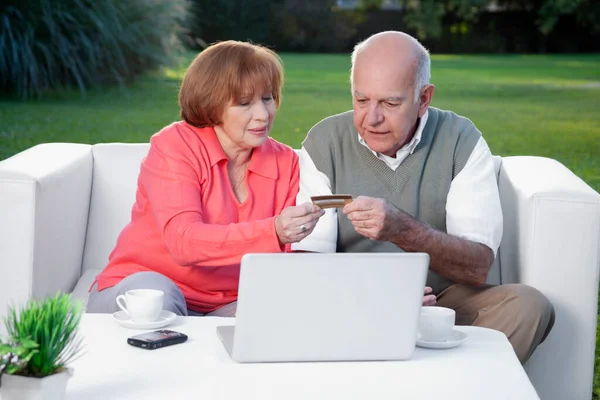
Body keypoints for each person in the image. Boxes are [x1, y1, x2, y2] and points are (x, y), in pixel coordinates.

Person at [292, 31, 554, 364]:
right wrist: (385, 296)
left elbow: (476, 268)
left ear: (424, 98)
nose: (371, 118)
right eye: (361, 100)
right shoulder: (325, 142)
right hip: (352, 303)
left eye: (390, 103)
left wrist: (402, 230)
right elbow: (311, 267)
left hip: (441, 304)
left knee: (529, 306)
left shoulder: (461, 140)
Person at [87, 40, 324, 317]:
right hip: (146, 286)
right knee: (156, 299)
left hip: (228, 302)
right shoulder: (175, 145)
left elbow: (287, 260)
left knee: (280, 317)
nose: (263, 114)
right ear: (212, 104)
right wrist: (273, 231)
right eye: (245, 103)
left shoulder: (286, 162)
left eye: (268, 98)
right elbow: (184, 242)